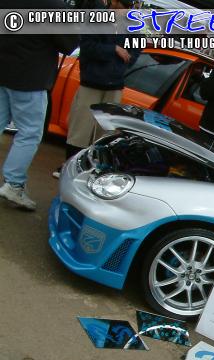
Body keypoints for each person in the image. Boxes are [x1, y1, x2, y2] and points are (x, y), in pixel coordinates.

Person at [0, 0, 78, 210]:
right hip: (30, 79)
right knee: (30, 133)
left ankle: (14, 184)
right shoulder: (54, 6)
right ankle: (13, 184)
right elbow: (69, 44)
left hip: (3, 70)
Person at [62, 0, 140, 174]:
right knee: (80, 129)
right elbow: (87, 47)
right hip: (91, 82)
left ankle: (91, 170)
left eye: (129, 6)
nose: (126, 9)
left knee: (104, 133)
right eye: (123, 5)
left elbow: (137, 48)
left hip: (115, 85)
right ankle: (68, 167)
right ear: (114, 2)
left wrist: (124, 64)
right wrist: (114, 49)